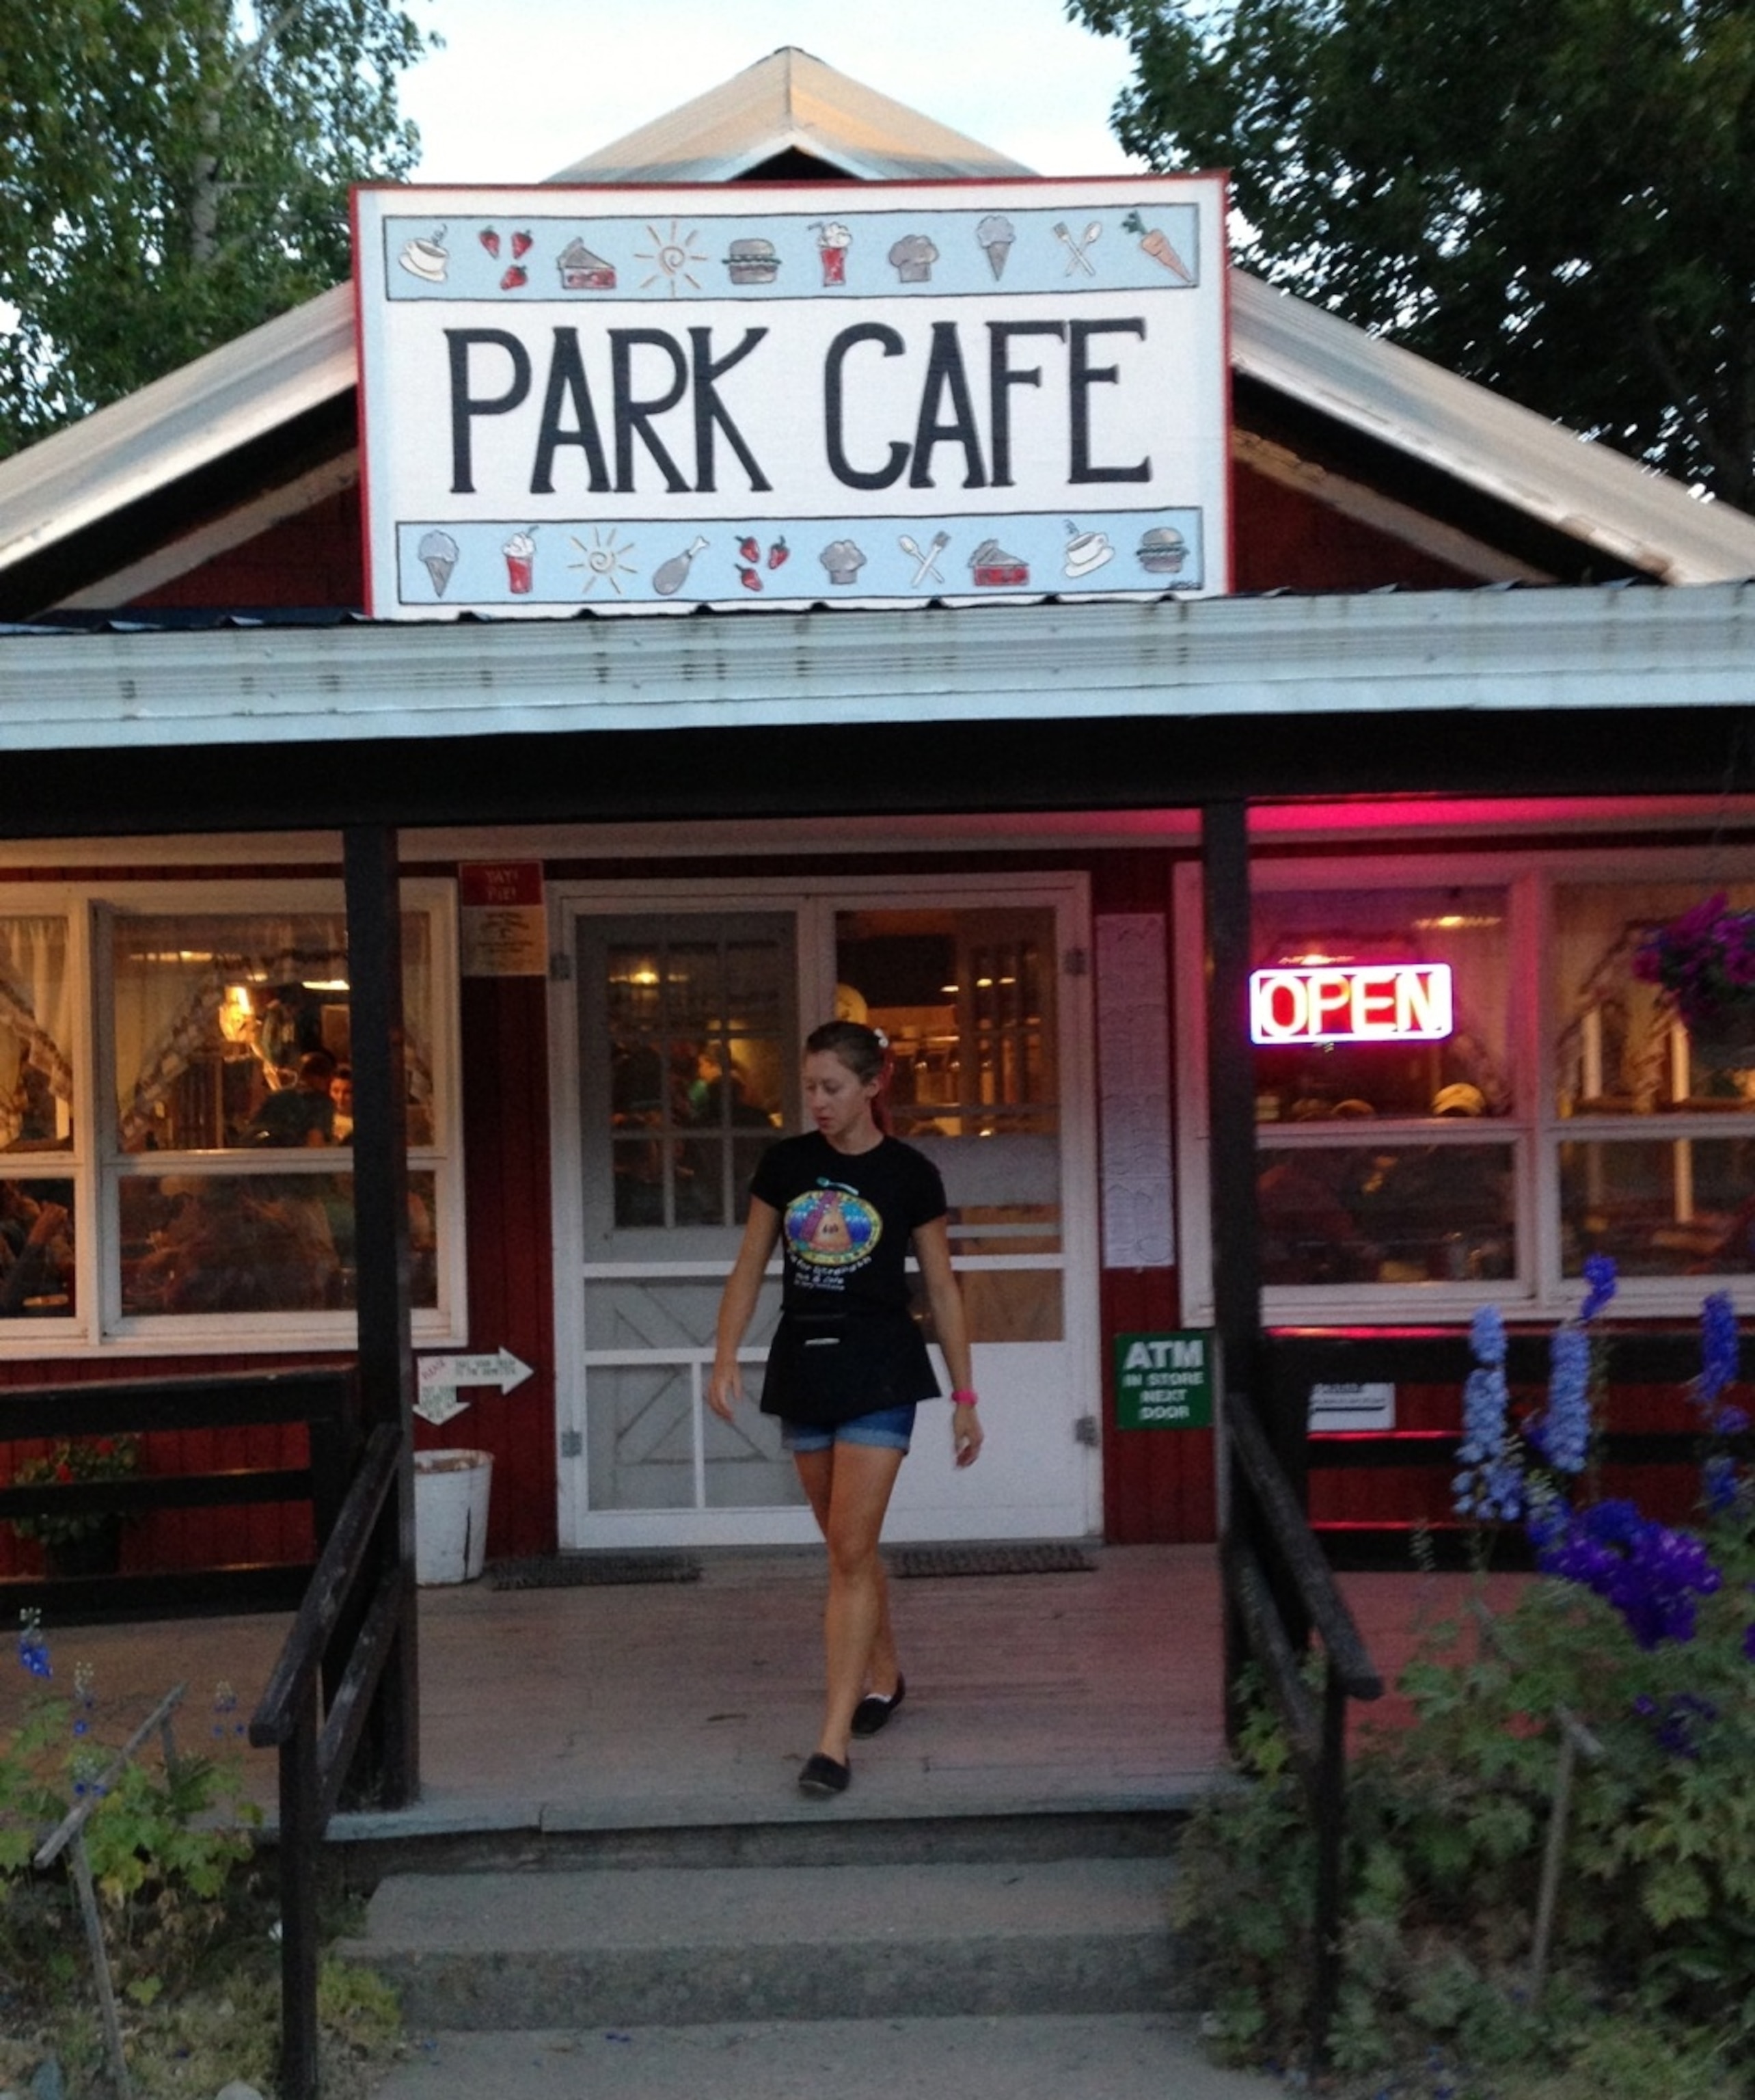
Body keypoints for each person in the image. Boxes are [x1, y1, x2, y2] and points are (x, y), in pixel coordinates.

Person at [708, 1019, 981, 1800]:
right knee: (845, 1548)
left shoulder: (909, 1174)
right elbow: (749, 1266)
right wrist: (726, 1355)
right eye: (810, 1089)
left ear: (874, 1084)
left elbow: (943, 1287)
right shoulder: (786, 1163)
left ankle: (832, 1740)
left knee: (850, 1549)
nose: (819, 1103)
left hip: (884, 1366)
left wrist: (965, 1396)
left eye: (832, 1088)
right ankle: (885, 1674)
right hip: (806, 1365)